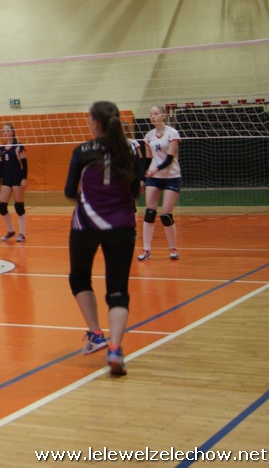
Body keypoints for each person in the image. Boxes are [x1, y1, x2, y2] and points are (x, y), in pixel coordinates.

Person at [64, 101, 140, 376]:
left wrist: (90, 200)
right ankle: (115, 349)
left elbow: (69, 191)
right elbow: (135, 190)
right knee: (118, 290)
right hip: (122, 225)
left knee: (79, 278)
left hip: (86, 224)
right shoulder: (131, 150)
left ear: (95, 122)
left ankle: (96, 334)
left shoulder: (82, 151)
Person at [138, 105, 182, 261]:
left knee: (166, 215)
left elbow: (170, 158)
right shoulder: (148, 136)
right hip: (154, 178)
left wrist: (155, 169)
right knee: (149, 213)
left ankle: (172, 248)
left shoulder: (172, 133)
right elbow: (147, 159)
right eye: (151, 114)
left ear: (163, 115)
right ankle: (146, 249)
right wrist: (143, 179)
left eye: (156, 113)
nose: (153, 116)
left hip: (171, 176)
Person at [0, 122, 28, 242]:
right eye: (3, 131)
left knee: (19, 207)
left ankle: (22, 233)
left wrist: (24, 179)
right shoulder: (1, 149)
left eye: (7, 130)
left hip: (17, 178)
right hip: (6, 179)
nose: (5, 133)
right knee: (1, 207)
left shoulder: (19, 147)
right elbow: (0, 167)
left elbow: (25, 165)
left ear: (12, 132)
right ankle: (10, 231)